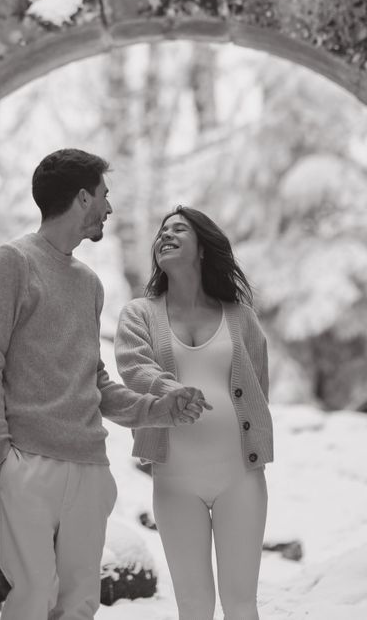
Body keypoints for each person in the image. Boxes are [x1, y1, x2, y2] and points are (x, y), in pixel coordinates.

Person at [0, 149, 209, 620]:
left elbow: (93, 381)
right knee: (33, 597)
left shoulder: (89, 284)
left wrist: (161, 407)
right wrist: (0, 458)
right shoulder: (11, 263)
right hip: (28, 462)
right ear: (82, 198)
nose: (109, 208)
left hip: (89, 468)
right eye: (104, 195)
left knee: (79, 604)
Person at [114, 205, 273, 620]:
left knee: (241, 605)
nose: (165, 235)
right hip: (175, 481)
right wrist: (171, 389)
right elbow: (133, 366)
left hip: (240, 476)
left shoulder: (241, 318)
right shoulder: (140, 313)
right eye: (161, 231)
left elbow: (257, 387)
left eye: (179, 229)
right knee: (194, 607)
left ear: (203, 247)